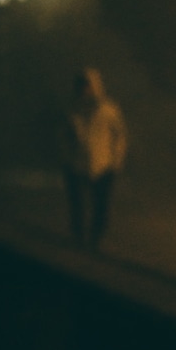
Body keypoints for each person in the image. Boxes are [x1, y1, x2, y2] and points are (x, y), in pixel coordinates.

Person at [63, 67, 127, 246]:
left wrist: (116, 161)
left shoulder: (109, 110)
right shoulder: (72, 110)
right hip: (76, 164)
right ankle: (78, 235)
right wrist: (67, 158)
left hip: (104, 164)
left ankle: (96, 236)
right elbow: (65, 136)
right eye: (81, 86)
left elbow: (119, 136)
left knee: (101, 205)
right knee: (78, 205)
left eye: (87, 85)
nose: (84, 90)